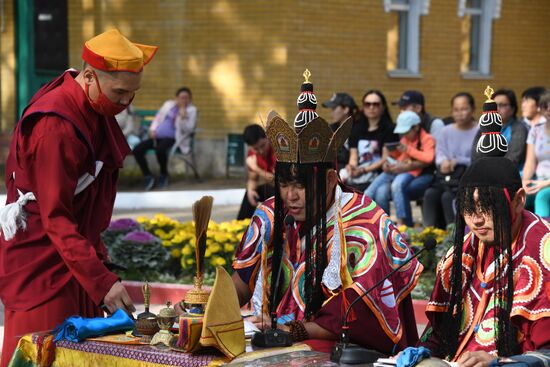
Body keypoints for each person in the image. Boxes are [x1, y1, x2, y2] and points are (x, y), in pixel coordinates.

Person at [232, 71, 422, 353]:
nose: (290, 196)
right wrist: (210, 307)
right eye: (284, 184)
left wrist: (295, 330)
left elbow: (360, 313)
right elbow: (242, 281)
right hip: (276, 337)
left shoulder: (364, 221)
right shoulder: (272, 212)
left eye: (301, 185)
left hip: (342, 347)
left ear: (332, 180)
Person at [0, 29, 157, 367]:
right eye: (119, 93)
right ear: (88, 77)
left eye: (133, 95)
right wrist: (102, 282)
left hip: (77, 262)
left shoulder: (92, 107)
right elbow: (56, 217)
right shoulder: (55, 126)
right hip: (44, 269)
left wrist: (97, 273)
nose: (125, 104)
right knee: (46, 355)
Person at [418, 88, 550, 366]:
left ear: (518, 201)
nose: (476, 219)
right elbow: (436, 337)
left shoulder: (543, 247)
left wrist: (500, 361)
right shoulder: (460, 255)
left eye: (488, 207)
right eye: (468, 208)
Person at [365, 111, 435, 226]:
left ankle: (402, 223)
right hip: (397, 169)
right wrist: (390, 160)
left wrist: (407, 150)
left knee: (396, 185)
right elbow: (402, 157)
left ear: (416, 127)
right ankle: (372, 222)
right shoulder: (405, 139)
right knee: (370, 191)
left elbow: (429, 157)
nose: (404, 135)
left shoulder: (427, 138)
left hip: (411, 172)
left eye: (406, 132)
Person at [423, 92, 478, 229]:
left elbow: (478, 157)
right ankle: (428, 233)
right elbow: (440, 152)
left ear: (473, 109)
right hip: (447, 177)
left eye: (464, 109)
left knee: (448, 197)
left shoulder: (480, 130)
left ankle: (453, 235)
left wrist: (458, 161)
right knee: (430, 194)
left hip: (468, 178)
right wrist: (443, 162)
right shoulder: (445, 131)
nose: (460, 113)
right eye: (456, 110)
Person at [132, 86, 198, 190]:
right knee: (137, 150)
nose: (184, 100)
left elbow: (188, 129)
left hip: (174, 138)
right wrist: (153, 129)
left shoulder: (191, 110)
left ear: (190, 99)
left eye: (186, 98)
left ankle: (164, 174)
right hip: (157, 137)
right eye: (181, 97)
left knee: (160, 150)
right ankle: (148, 176)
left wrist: (182, 116)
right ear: (176, 98)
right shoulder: (168, 105)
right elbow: (158, 117)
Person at [341, 90, 398, 191]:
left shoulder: (390, 129)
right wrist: (352, 167)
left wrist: (363, 170)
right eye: (367, 104)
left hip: (381, 174)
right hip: (359, 176)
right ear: (363, 107)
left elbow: (386, 158)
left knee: (382, 193)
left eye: (376, 104)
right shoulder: (355, 128)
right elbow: (353, 155)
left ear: (383, 107)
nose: (371, 107)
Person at [471, 89, 528, 169]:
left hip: (511, 174)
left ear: (512, 109)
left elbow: (513, 158)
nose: (497, 109)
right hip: (484, 173)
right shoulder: (484, 129)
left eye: (502, 105)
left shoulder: (519, 128)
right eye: (494, 105)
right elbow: (475, 156)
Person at [237, 124, 276, 220]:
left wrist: (255, 168)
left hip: (284, 190)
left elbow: (279, 182)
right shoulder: (252, 153)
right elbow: (253, 179)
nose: (261, 151)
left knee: (275, 194)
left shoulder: (278, 150)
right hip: (272, 188)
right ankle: (241, 226)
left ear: (267, 137)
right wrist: (250, 190)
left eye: (263, 146)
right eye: (256, 149)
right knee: (251, 193)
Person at [522, 92, 550, 217]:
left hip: (546, 183)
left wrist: (546, 183)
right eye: (545, 106)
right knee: (518, 197)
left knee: (542, 197)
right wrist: (525, 182)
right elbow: (530, 163)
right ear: (540, 109)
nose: (548, 109)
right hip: (538, 180)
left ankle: (544, 233)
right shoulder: (535, 131)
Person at [321, 92, 357, 168]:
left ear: (346, 109)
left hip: (350, 171)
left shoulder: (357, 129)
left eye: (334, 108)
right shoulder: (331, 128)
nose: (332, 113)